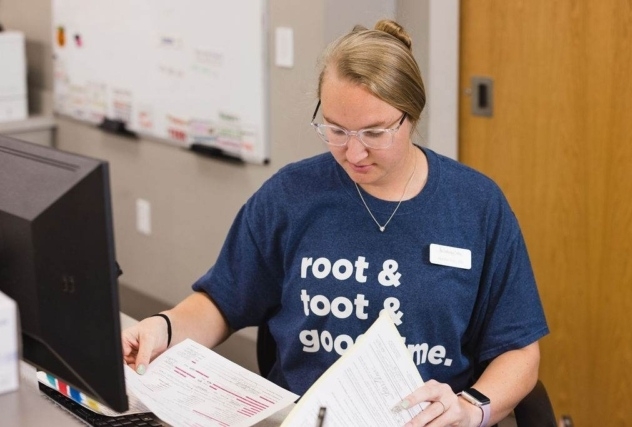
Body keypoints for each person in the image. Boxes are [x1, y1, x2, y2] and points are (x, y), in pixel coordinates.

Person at [123, 19, 549, 427]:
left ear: (411, 116)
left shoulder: (475, 205)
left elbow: (519, 351)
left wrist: (470, 408)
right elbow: (222, 302)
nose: (354, 153)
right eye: (336, 130)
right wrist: (164, 327)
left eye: (375, 132)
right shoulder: (291, 196)